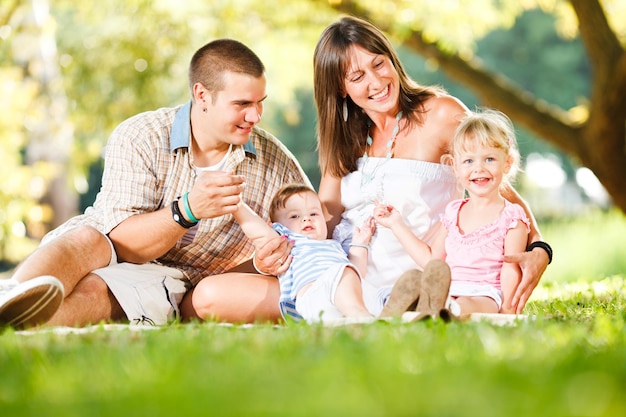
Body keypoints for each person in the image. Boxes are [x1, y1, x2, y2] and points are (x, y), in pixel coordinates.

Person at [0, 38, 310, 329]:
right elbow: (124, 245)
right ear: (202, 95)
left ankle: (14, 325)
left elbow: (315, 228)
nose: (255, 115)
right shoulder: (141, 136)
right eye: (242, 103)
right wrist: (187, 210)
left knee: (98, 291)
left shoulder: (275, 163)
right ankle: (8, 298)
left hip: (171, 279)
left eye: (260, 102)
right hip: (109, 243)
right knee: (86, 237)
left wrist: (262, 261)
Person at [313, 16, 551, 317]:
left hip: (421, 282)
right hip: (350, 282)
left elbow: (500, 194)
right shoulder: (345, 136)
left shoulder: (441, 114)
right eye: (357, 77)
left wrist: (540, 249)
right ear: (340, 88)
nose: (376, 82)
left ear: (392, 59)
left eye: (378, 64)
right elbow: (325, 216)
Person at [375, 109, 533, 316]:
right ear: (455, 167)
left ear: (507, 163)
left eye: (489, 159)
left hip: (485, 294)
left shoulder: (511, 217)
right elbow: (432, 261)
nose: (479, 168)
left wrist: (508, 310)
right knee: (436, 289)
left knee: (470, 303)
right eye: (468, 161)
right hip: (448, 288)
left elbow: (510, 269)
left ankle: (443, 309)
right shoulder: (454, 212)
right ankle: (425, 305)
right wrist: (397, 224)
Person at [233, 183, 375, 322]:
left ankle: (365, 315)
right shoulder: (286, 241)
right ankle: (359, 316)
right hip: (312, 297)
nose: (307, 219)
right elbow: (257, 229)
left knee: (375, 292)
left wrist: (360, 243)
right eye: (294, 216)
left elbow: (357, 274)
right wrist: (237, 205)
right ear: (277, 227)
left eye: (314, 213)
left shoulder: (334, 246)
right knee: (344, 273)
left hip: (342, 299)